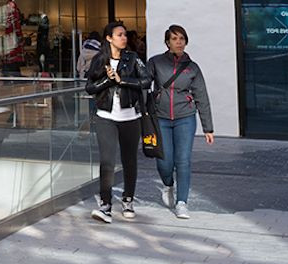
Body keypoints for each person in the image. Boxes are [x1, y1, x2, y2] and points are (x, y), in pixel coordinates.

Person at [86, 20, 152, 223]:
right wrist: (107, 81)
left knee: (129, 160)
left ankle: (128, 199)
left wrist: (122, 81)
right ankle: (105, 205)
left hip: (130, 117)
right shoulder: (99, 60)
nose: (124, 38)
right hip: (106, 117)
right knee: (106, 161)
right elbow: (90, 87)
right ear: (109, 38)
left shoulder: (133, 59)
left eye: (124, 34)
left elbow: (147, 80)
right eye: (119, 35)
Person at [147, 24, 214, 219]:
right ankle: (168, 185)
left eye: (182, 39)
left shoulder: (192, 68)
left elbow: (202, 96)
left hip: (185, 118)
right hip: (161, 118)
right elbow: (144, 83)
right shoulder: (156, 62)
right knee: (164, 163)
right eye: (175, 39)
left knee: (183, 160)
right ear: (167, 42)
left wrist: (208, 127)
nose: (179, 42)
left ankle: (182, 202)